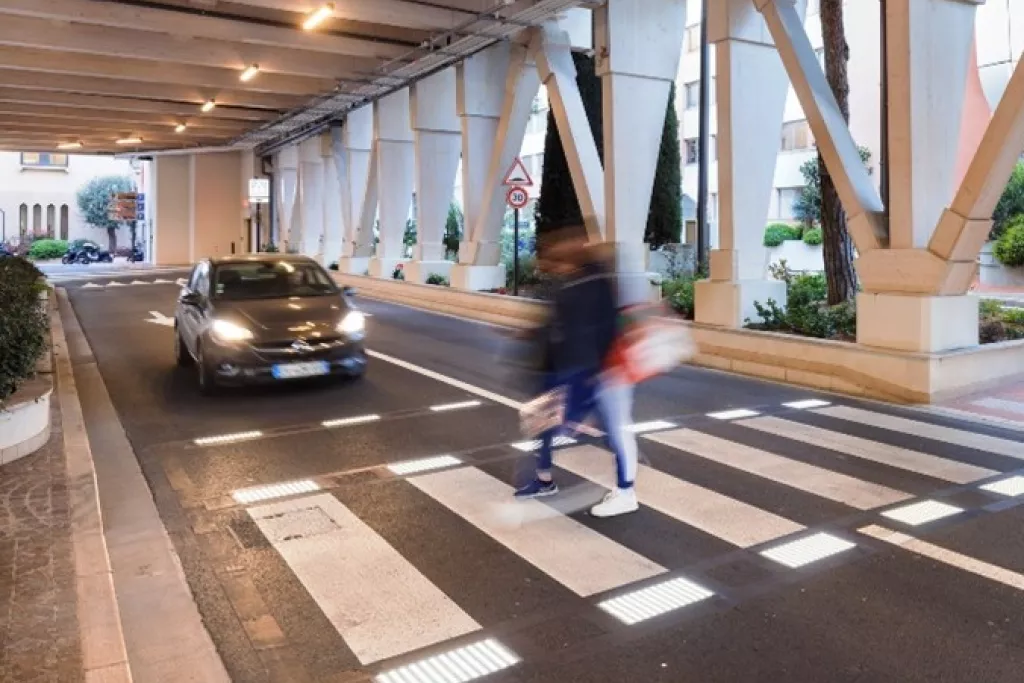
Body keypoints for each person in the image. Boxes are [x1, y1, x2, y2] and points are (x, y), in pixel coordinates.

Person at [514, 226, 640, 518]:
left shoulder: (596, 281)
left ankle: (626, 491)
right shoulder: (570, 280)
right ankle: (545, 480)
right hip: (568, 368)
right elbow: (559, 325)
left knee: (613, 429)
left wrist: (593, 372)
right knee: (546, 422)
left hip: (596, 370)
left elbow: (601, 327)